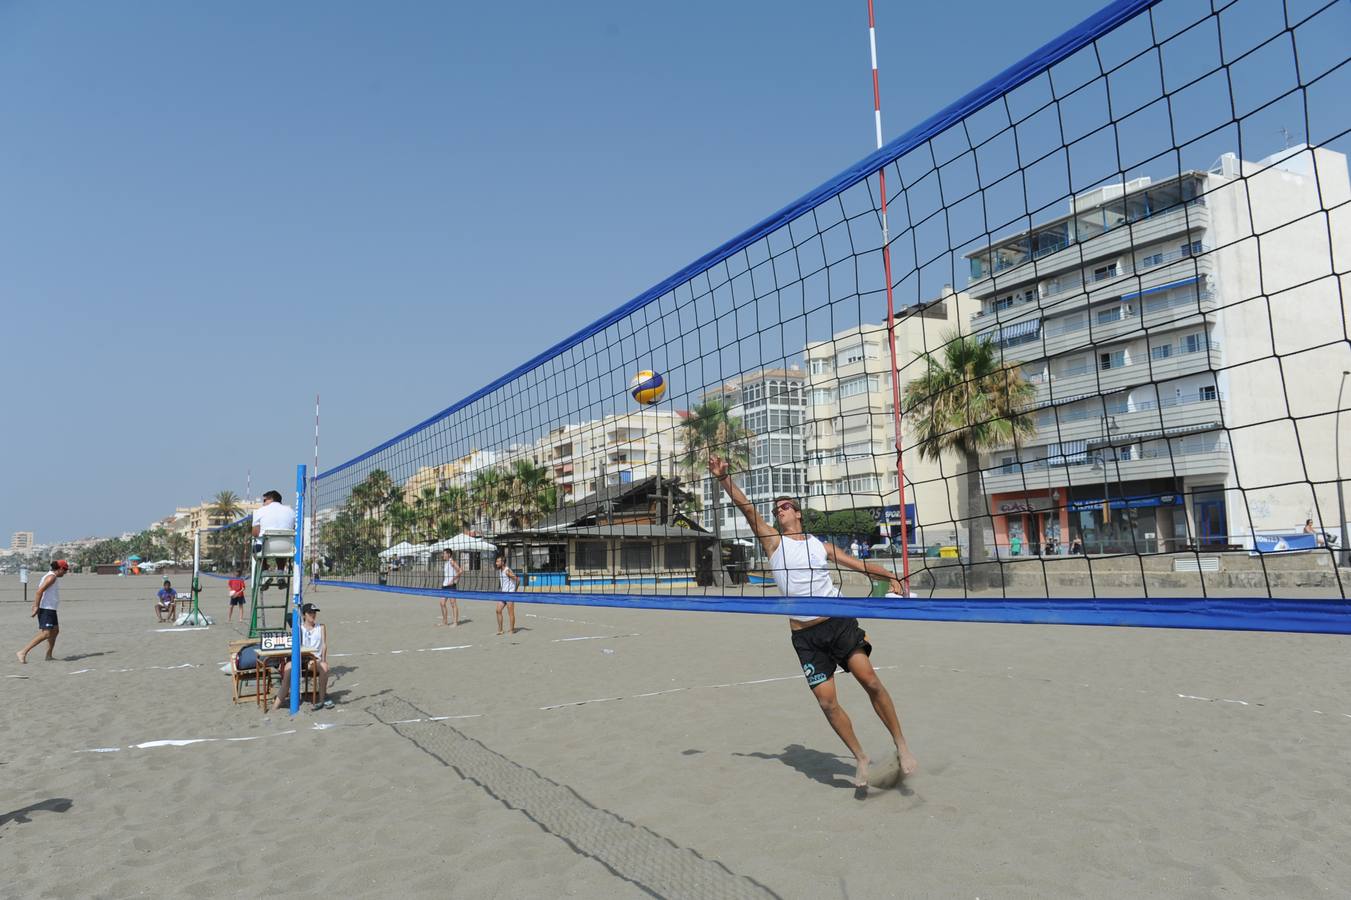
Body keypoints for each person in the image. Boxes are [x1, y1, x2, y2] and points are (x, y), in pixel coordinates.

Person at [708, 454, 918, 788]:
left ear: (798, 513)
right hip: (805, 637)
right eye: (777, 509)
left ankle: (902, 745)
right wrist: (723, 478)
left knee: (870, 680)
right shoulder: (773, 543)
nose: (780, 510)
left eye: (785, 506)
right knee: (827, 703)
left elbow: (860, 566)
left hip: (837, 622)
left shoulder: (821, 546)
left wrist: (890, 575)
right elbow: (747, 509)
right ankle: (861, 758)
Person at [271, 603, 332, 712]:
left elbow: (324, 645)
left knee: (325, 667)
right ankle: (275, 707)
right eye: (310, 613)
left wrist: (323, 659)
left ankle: (322, 699)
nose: (313, 615)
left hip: (313, 660)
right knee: (288, 671)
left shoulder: (321, 627)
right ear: (304, 615)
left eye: (314, 612)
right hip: (299, 658)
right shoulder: (298, 628)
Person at [18, 560, 69, 663]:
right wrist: (36, 606)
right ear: (60, 569)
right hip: (45, 608)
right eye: (65, 570)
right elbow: (39, 591)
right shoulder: (51, 577)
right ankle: (23, 652)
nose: (65, 572)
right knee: (46, 633)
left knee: (55, 631)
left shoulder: (52, 577)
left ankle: (48, 656)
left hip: (51, 609)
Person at [252, 490, 297, 585]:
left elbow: (255, 533)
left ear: (271, 499)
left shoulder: (260, 511)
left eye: (264, 500)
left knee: (255, 549)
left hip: (266, 547)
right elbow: (294, 529)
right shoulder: (291, 511)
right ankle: (280, 573)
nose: (263, 503)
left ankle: (265, 573)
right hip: (287, 548)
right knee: (281, 546)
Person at [495, 555, 518, 635]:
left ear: (502, 562)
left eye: (498, 561)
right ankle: (500, 630)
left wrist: (514, 591)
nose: (496, 563)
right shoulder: (500, 570)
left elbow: (518, 580)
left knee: (510, 613)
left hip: (510, 594)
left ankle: (512, 630)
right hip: (503, 593)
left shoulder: (507, 571)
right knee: (498, 610)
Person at [439, 549, 462, 627]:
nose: (443, 555)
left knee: (453, 603)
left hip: (451, 586)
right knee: (442, 603)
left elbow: (460, 571)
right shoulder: (446, 563)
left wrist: (453, 580)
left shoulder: (452, 561)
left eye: (444, 553)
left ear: (449, 554)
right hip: (445, 585)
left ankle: (455, 622)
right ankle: (445, 622)